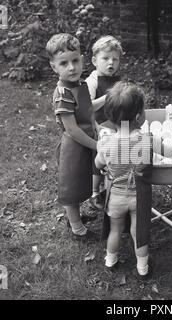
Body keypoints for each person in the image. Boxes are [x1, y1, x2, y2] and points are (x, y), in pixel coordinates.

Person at [95, 81, 153, 278]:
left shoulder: (106, 143)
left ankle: (110, 260)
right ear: (138, 117)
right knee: (139, 232)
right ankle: (142, 268)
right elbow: (146, 165)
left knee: (115, 230)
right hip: (138, 197)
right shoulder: (145, 141)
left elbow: (98, 164)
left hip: (116, 198)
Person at [46, 33, 99, 241]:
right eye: (64, 63)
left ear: (82, 60)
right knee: (71, 187)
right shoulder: (63, 93)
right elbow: (73, 129)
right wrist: (97, 145)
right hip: (74, 146)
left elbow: (86, 108)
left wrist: (105, 100)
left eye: (75, 60)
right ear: (54, 67)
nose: (71, 67)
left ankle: (76, 218)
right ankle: (76, 228)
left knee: (81, 182)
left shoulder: (79, 84)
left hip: (85, 142)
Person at [85, 35, 123, 210]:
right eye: (106, 58)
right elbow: (86, 107)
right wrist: (107, 97)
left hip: (115, 125)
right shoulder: (92, 82)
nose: (111, 63)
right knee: (98, 161)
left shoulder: (117, 79)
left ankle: (112, 188)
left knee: (114, 159)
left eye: (115, 59)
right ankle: (94, 192)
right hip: (98, 126)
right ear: (94, 60)